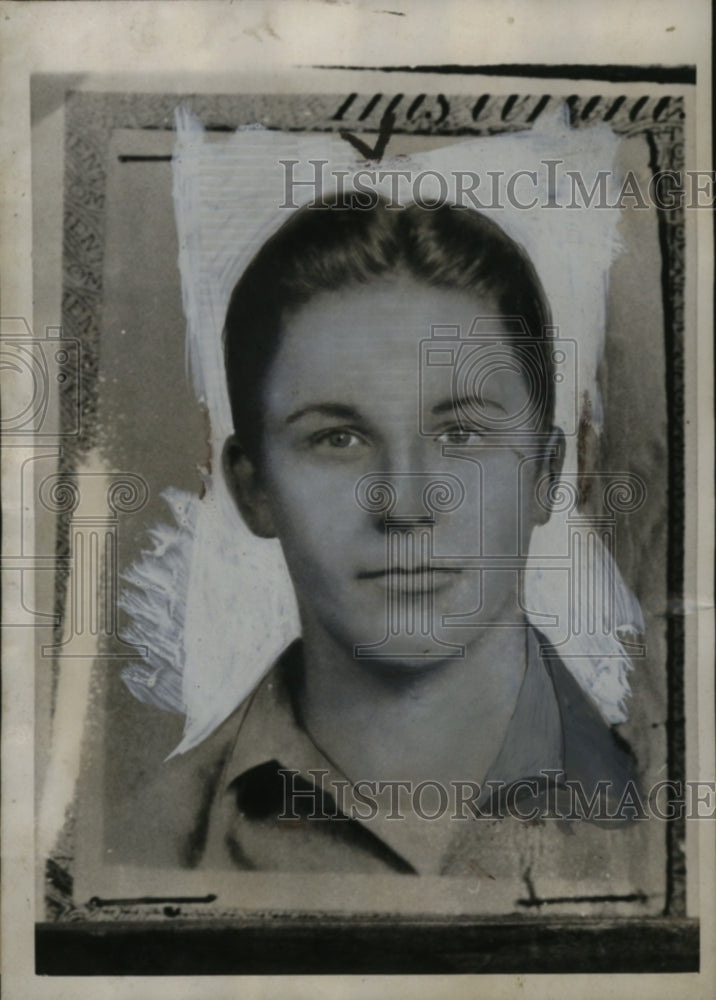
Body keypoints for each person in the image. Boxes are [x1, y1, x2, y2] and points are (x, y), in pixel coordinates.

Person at [114, 195, 640, 879]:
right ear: (254, 490)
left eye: (460, 434)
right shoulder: (136, 856)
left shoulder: (675, 822)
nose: (408, 503)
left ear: (545, 474)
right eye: (338, 438)